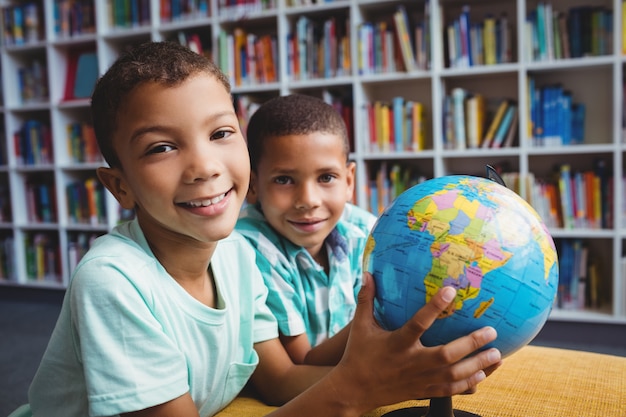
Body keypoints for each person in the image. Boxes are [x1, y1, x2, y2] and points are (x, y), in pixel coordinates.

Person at [9, 41, 501, 417]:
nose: (204, 166)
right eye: (161, 147)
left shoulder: (236, 255)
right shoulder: (114, 282)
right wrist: (357, 389)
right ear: (120, 187)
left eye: (221, 133)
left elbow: (277, 381)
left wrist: (381, 355)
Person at [236, 94, 377, 365]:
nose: (309, 200)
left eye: (326, 177)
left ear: (349, 181)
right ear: (252, 186)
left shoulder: (365, 232)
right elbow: (304, 363)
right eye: (285, 180)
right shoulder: (252, 248)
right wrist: (376, 318)